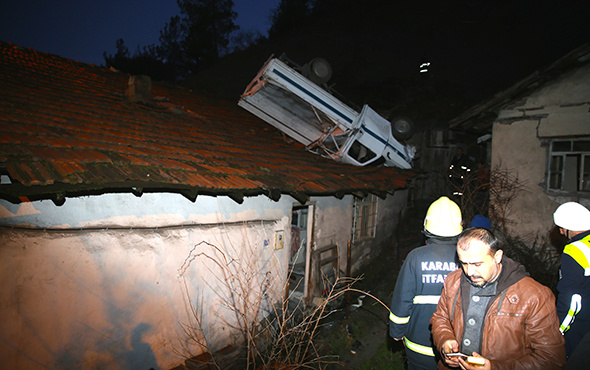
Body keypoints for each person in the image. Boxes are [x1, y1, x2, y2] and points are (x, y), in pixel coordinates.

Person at [431, 227, 566, 370]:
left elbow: (552, 359)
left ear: (497, 257)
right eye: (464, 263)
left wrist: (495, 368)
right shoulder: (453, 281)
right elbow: (440, 318)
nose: (469, 272)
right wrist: (445, 341)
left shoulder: (535, 296)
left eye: (477, 264)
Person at [389, 196, 463, 369]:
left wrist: (396, 331)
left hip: (418, 347)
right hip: (454, 349)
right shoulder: (467, 259)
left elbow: (403, 298)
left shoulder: (416, 257)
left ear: (427, 227)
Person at [553, 202, 590, 366]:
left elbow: (572, 299)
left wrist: (558, 330)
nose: (561, 232)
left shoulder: (574, 250)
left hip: (580, 329)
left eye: (562, 227)